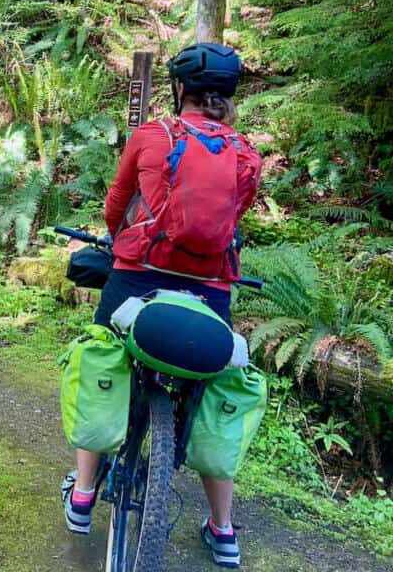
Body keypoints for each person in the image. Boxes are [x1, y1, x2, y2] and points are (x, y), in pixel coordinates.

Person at [60, 43, 262, 570]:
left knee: (102, 349)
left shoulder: (152, 135)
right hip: (212, 287)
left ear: (178, 90)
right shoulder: (245, 154)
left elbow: (115, 202)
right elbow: (229, 220)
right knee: (219, 384)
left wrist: (119, 241)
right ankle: (223, 530)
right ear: (228, 97)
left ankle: (83, 492)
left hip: (138, 275)